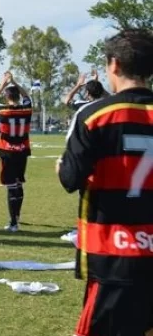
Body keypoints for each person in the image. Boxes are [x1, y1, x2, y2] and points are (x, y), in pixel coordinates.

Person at [57, 29, 153, 336]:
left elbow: (70, 178)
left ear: (114, 65)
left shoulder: (94, 115)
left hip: (113, 252)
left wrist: (62, 167)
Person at [61, 70, 109, 244]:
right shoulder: (108, 104)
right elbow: (108, 96)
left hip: (87, 151)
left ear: (87, 93)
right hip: (106, 151)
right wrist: (97, 85)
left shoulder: (83, 105)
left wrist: (78, 85)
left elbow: (67, 100)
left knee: (86, 190)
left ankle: (85, 227)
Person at [0, 71, 32, 232]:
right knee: (19, 184)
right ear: (18, 96)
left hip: (7, 151)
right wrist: (15, 82)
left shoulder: (3, 110)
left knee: (11, 186)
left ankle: (13, 222)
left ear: (7, 97)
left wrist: (3, 84)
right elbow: (28, 97)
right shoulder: (26, 109)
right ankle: (17, 216)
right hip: (22, 150)